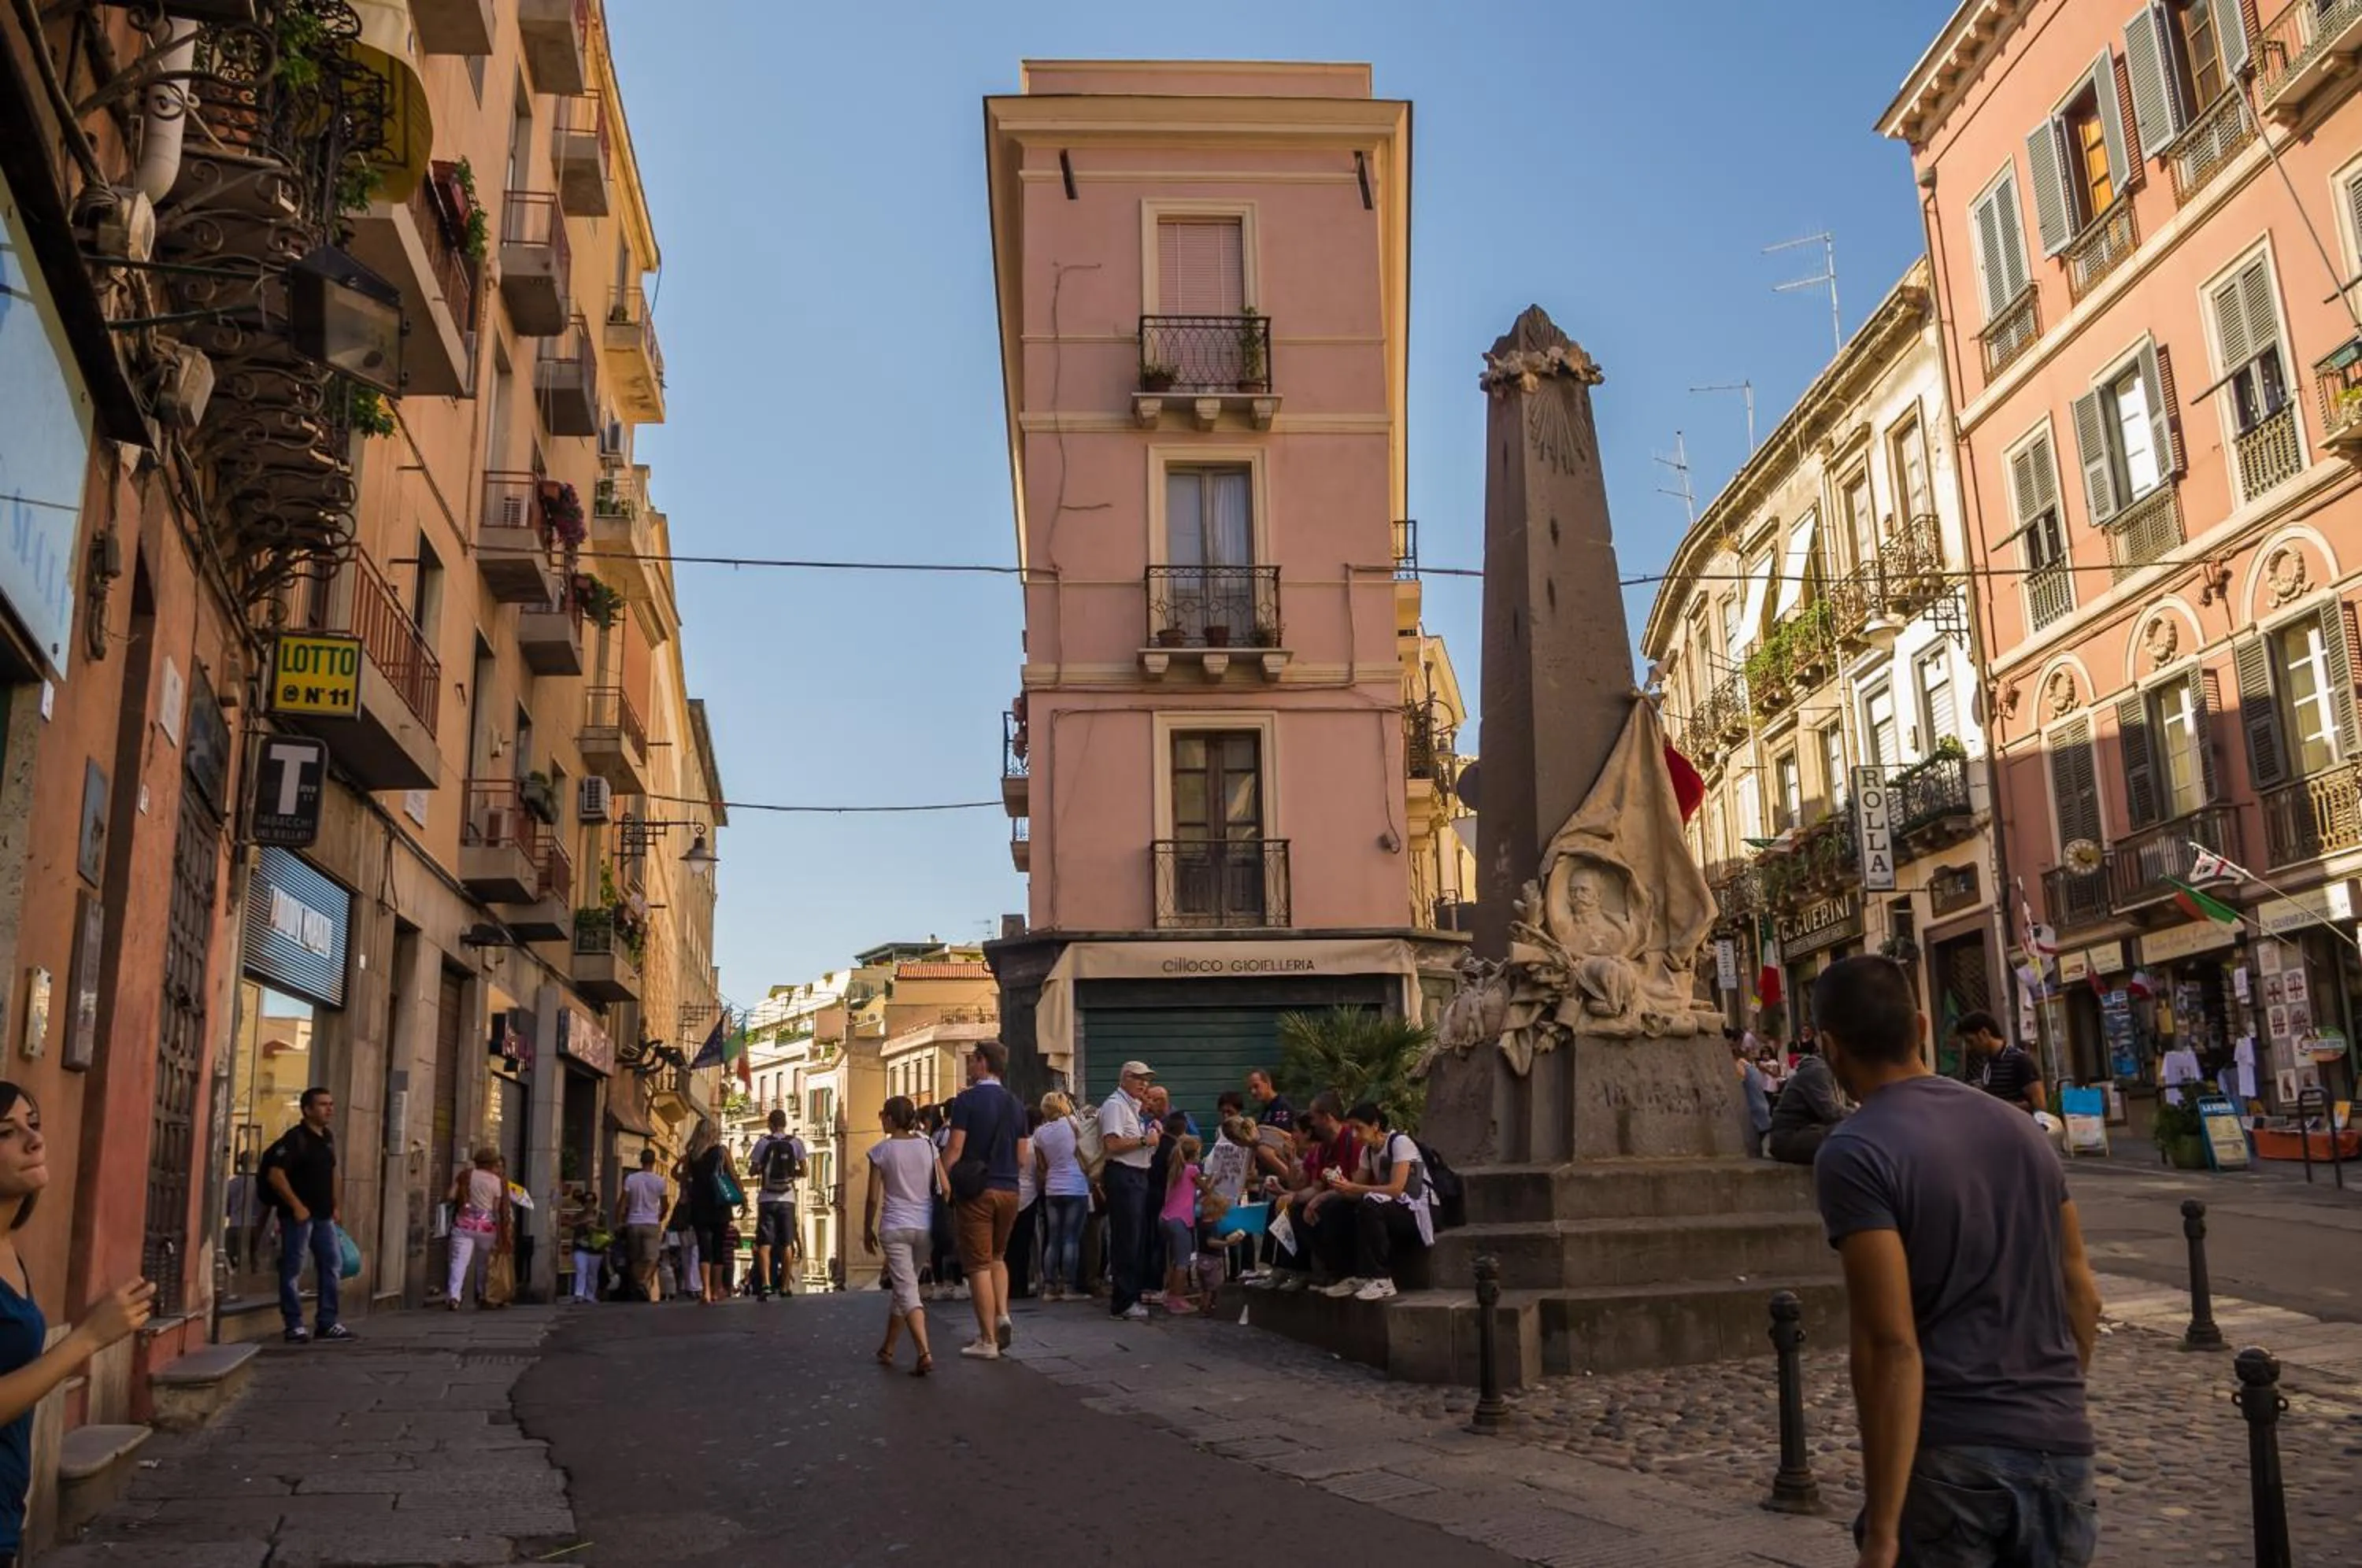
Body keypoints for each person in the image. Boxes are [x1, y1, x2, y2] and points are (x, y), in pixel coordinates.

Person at [1812, 956, 2101, 1568]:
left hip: (1952, 1453)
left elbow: (1889, 1343)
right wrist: (2053, 1407)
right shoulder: (2024, 1132)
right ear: (1921, 1026)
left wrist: (1884, 1530)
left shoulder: (1857, 1151)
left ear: (1828, 1047)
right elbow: (2084, 1296)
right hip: (2062, 1450)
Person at [0, 1084, 157, 1564]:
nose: (34, 1140)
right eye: (7, 1132)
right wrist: (88, 1337)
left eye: (35, 1123)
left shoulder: (9, 1248)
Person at [941, 1040, 1030, 1359]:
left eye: (972, 1060)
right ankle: (1002, 1313)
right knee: (997, 1256)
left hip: (977, 1190)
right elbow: (1022, 1157)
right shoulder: (1016, 1104)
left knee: (977, 1264)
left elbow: (955, 1148)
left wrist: (944, 1178)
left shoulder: (966, 1101)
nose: (969, 1066)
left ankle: (987, 1340)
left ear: (982, 1062)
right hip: (1010, 1190)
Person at [258, 1087, 354, 1344]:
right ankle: (294, 1325)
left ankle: (327, 1322)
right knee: (293, 1269)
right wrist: (296, 1205)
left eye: (331, 1104)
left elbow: (334, 1172)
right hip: (298, 1217)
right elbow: (275, 1175)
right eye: (323, 1105)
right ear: (307, 1110)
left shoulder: (327, 1138)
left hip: (323, 1216)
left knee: (333, 1265)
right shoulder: (295, 1139)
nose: (329, 1109)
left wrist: (336, 1205)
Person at [863, 1096, 945, 1376]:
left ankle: (924, 1352)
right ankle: (888, 1348)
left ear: (889, 1119)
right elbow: (945, 1187)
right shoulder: (928, 1145)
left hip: (895, 1228)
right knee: (904, 1285)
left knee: (907, 1289)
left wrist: (866, 1230)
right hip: (924, 1228)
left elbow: (872, 1198)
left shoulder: (881, 1151)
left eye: (882, 1115)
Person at [1318, 1104, 1432, 1302]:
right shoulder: (1368, 1152)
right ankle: (1350, 1274)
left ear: (1375, 1125)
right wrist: (1340, 1186)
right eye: (1351, 1129)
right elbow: (1356, 1191)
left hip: (1416, 1209)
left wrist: (1355, 1188)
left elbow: (1397, 1189)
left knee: (1369, 1205)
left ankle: (1382, 1278)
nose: (1354, 1135)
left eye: (1358, 1128)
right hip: (1388, 1205)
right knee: (1335, 1207)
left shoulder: (1399, 1143)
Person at [1098, 1060, 1162, 1322]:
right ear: (1125, 1078)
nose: (1144, 1083)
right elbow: (1112, 1144)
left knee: (1134, 1238)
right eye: (1138, 1078)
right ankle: (1123, 1301)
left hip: (1135, 1177)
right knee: (1127, 1239)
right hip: (1124, 1177)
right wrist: (1146, 1140)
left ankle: (1130, 1295)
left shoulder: (1130, 1107)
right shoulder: (1115, 1105)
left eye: (1146, 1079)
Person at [1033, 1093, 1091, 1302]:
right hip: (1075, 1186)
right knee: (1071, 1239)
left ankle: (1049, 1287)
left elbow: (1041, 1166)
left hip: (1052, 1188)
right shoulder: (1073, 1123)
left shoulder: (1039, 1133)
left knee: (1054, 1239)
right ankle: (1069, 1287)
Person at [746, 1110, 807, 1301]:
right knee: (787, 1243)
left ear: (770, 1124)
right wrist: (790, 1174)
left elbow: (752, 1169)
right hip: (788, 1199)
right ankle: (785, 1286)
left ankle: (765, 1285)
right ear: (786, 1123)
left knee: (765, 1243)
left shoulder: (763, 1143)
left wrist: (763, 1170)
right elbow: (805, 1171)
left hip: (766, 1199)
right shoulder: (796, 1143)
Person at [683, 1123, 742, 1305]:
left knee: (704, 1249)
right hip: (719, 1206)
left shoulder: (692, 1155)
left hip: (699, 1206)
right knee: (718, 1250)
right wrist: (743, 1199)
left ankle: (706, 1291)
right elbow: (733, 1176)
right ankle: (717, 1289)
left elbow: (686, 1180)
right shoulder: (721, 1152)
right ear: (714, 1133)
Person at [1768, 1036, 1848, 1166]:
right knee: (1850, 1135)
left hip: (1804, 1133)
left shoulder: (1833, 1074)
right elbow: (1830, 1112)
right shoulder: (1818, 1072)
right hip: (1790, 1138)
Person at [445, 1148, 506, 1310]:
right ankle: (482, 1294)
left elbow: (451, 1196)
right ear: (493, 1164)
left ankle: (454, 1296)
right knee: (483, 1263)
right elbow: (496, 1209)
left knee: (459, 1261)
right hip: (486, 1227)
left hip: (464, 1224)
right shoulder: (496, 1181)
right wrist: (501, 1234)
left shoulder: (465, 1175)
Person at [1960, 1010, 2047, 1115]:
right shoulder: (1986, 1063)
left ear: (1984, 1033)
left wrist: (2000, 1106)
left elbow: (2040, 1105)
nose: (1969, 1048)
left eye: (1970, 1041)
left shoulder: (2018, 1060)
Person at [615, 1147, 668, 1302]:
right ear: (654, 1162)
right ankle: (643, 1283)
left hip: (633, 1222)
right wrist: (659, 1217)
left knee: (635, 1258)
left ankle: (638, 1285)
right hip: (651, 1223)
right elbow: (666, 1205)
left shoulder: (631, 1179)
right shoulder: (660, 1181)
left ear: (641, 1161)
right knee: (653, 1258)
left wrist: (619, 1221)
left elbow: (622, 1201)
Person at [1159, 1133, 1205, 1314]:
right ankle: (1176, 1300)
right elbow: (1206, 1188)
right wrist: (1215, 1180)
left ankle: (1169, 1293)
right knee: (1182, 1262)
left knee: (1172, 1260)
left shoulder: (1176, 1168)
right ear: (1195, 1154)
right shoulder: (1193, 1170)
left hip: (1166, 1217)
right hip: (1181, 1220)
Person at [1007, 1106, 1046, 1303]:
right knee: (1024, 1245)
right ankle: (1021, 1285)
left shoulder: (1010, 1144)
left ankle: (1007, 1284)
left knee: (1008, 1243)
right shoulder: (1034, 1145)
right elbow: (1039, 1171)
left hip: (1010, 1193)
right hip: (1030, 1196)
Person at [1734, 1034, 1773, 1155]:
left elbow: (1738, 1083)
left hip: (1755, 1111)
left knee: (1757, 1150)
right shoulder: (1754, 1068)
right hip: (1763, 1108)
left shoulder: (1740, 1065)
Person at [1246, 1067, 1296, 1134]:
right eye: (1250, 1089)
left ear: (1268, 1083)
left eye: (1256, 1086)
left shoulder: (1281, 1106)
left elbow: (1280, 1136)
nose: (1253, 1092)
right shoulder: (1266, 1108)